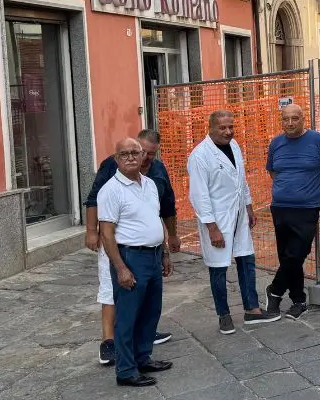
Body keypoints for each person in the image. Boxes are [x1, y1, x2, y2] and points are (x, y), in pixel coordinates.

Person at [85, 129, 175, 366]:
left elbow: (161, 213)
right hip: (128, 253)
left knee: (150, 309)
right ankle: (124, 366)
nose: (137, 157)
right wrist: (119, 265)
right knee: (123, 309)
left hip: (153, 254)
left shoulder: (151, 182)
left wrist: (165, 250)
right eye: (126, 154)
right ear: (116, 159)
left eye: (140, 153)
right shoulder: (111, 186)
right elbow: (105, 226)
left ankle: (143, 357)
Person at [189, 110, 281, 335]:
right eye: (222, 128)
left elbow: (242, 179)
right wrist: (212, 227)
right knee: (219, 267)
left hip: (238, 214)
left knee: (246, 259)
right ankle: (224, 314)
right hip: (217, 219)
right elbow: (199, 196)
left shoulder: (235, 146)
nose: (228, 132)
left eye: (231, 127)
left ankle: (252, 309)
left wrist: (248, 206)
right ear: (210, 128)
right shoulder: (200, 156)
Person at [265, 104, 320, 320]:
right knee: (287, 255)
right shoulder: (276, 143)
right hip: (280, 207)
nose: (290, 123)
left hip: (307, 208)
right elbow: (272, 171)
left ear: (303, 119)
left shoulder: (319, 141)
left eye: (295, 119)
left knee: (297, 253)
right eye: (286, 119)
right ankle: (298, 300)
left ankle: (275, 289)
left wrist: (315, 189)